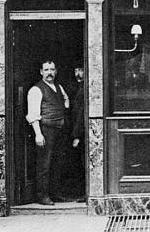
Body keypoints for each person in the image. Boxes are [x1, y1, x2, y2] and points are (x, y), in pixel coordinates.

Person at [26, 60, 69, 205]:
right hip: (45, 131)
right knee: (44, 165)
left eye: (52, 69)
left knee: (57, 163)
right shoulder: (36, 90)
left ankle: (55, 194)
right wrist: (38, 134)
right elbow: (33, 114)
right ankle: (42, 196)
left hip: (59, 130)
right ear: (41, 72)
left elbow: (65, 100)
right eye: (46, 70)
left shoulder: (58, 86)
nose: (49, 73)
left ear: (56, 71)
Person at [70, 67, 85, 202]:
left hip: (82, 133)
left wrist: (77, 135)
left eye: (81, 70)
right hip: (79, 131)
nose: (78, 74)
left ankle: (86, 194)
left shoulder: (84, 89)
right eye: (76, 71)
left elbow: (81, 115)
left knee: (84, 162)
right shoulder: (78, 88)